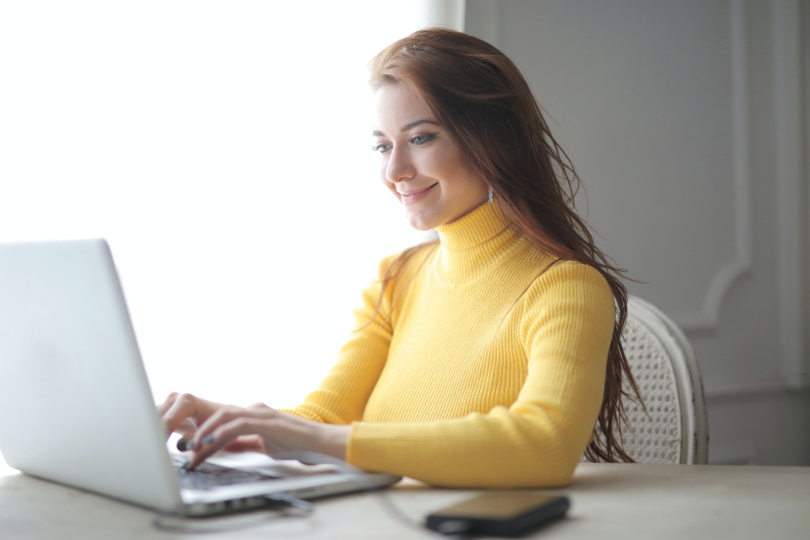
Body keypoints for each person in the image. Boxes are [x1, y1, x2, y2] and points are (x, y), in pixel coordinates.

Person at [159, 27, 641, 488]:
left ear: (493, 141)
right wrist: (227, 422)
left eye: (421, 138)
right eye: (382, 145)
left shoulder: (566, 287)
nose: (395, 171)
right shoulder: (396, 278)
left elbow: (545, 445)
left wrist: (314, 438)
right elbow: (324, 418)